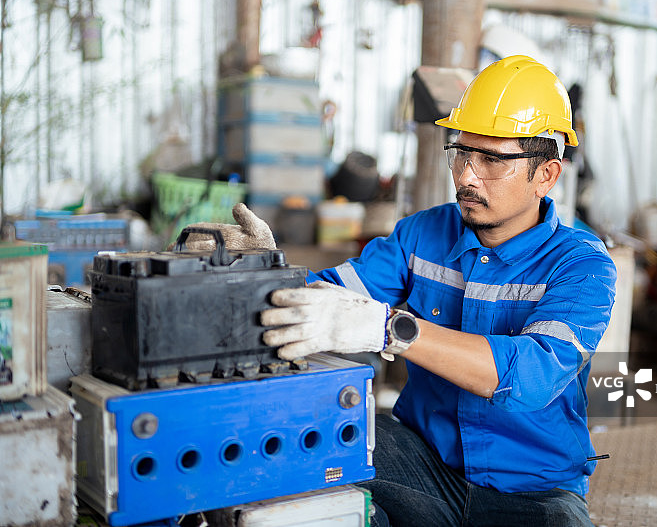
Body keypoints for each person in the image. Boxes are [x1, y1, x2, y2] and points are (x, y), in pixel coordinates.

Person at [195, 55, 616, 526]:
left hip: (534, 488)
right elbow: (330, 294)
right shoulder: (420, 236)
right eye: (462, 154)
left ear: (547, 175)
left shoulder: (582, 265)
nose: (466, 176)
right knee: (314, 481)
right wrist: (265, 272)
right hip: (421, 458)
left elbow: (532, 376)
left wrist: (389, 330)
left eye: (492, 160)